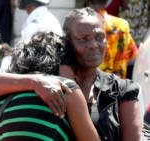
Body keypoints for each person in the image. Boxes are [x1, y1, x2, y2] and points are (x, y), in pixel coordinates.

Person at [0, 32, 100, 141]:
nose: (76, 75)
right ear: (58, 61)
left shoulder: (0, 94)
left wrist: (34, 81)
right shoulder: (67, 89)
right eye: (72, 65)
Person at [60, 7, 142, 141]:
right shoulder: (52, 84)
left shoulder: (123, 90)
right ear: (67, 43)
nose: (93, 45)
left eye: (100, 37)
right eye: (83, 39)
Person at [86, 0, 138, 79]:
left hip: (89, 85)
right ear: (106, 2)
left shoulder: (80, 26)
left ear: (88, 2)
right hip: (118, 85)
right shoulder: (122, 25)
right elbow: (132, 57)